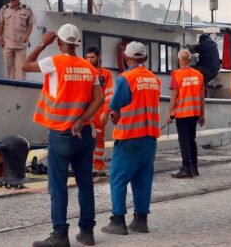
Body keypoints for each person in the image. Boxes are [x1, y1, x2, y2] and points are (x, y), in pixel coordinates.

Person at [19, 24, 104, 247]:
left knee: (58, 186)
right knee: (85, 183)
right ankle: (87, 233)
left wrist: (41, 44)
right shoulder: (89, 68)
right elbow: (99, 99)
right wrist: (82, 120)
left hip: (60, 133)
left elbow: (24, 65)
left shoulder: (55, 62)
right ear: (77, 44)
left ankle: (59, 235)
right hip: (84, 134)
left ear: (59, 42)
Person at [101, 41, 161, 236]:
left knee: (118, 179)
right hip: (150, 137)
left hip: (129, 137)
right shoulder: (154, 80)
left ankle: (118, 221)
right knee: (143, 180)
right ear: (144, 58)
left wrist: (111, 114)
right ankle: (141, 220)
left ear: (126, 58)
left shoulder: (126, 79)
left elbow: (115, 105)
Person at [165, 49, 205, 178]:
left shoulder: (176, 75)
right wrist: (202, 115)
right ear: (189, 60)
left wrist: (170, 113)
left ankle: (186, 168)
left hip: (182, 113)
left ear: (178, 60)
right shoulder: (198, 75)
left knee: (184, 141)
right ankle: (194, 167)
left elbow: (174, 95)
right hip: (194, 113)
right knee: (191, 140)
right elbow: (201, 97)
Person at [85, 46, 114, 176]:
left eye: (92, 57)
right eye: (88, 57)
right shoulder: (84, 72)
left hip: (99, 112)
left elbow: (109, 94)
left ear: (99, 57)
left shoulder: (106, 74)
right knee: (84, 137)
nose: (90, 60)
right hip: (85, 111)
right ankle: (86, 164)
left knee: (98, 139)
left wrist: (106, 111)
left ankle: (98, 165)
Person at [0, 0, 36, 80]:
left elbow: (30, 24)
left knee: (21, 69)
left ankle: (20, 88)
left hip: (20, 45)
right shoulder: (4, 9)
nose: (12, 0)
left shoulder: (27, 9)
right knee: (8, 68)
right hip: (8, 44)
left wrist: (27, 35)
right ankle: (9, 87)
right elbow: (1, 23)